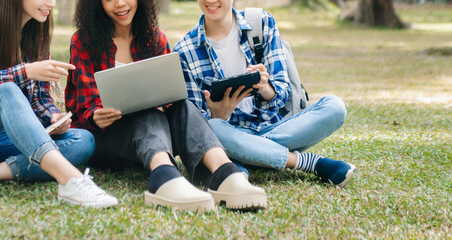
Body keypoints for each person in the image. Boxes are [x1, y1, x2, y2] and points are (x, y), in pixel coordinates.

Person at [65, 0, 267, 211]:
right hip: (108, 139)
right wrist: (95, 115)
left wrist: (166, 101)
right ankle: (163, 177)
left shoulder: (155, 38)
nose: (120, 4)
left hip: (153, 139)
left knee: (183, 106)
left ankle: (225, 173)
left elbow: (171, 93)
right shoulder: (83, 41)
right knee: (146, 111)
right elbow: (82, 107)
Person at [0, 0, 118, 208]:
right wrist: (25, 71)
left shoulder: (36, 32)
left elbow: (39, 99)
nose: (51, 4)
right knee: (7, 91)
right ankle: (71, 180)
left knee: (83, 140)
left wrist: (53, 117)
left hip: (2, 143)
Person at [173, 0, 356, 187]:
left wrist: (266, 87)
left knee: (334, 107)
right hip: (228, 133)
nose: (210, 0)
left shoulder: (262, 23)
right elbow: (195, 125)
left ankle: (245, 158)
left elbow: (283, 90)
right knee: (214, 128)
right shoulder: (184, 52)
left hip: (277, 128)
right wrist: (219, 116)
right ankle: (308, 163)